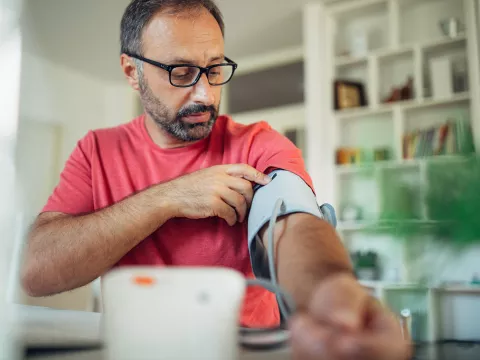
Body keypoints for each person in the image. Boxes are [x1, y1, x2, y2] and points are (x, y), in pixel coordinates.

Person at [21, 0, 411, 359]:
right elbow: (36, 270)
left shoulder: (259, 143)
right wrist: (168, 198)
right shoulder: (97, 151)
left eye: (214, 69)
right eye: (183, 72)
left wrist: (330, 291)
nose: (206, 94)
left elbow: (294, 224)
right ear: (132, 72)